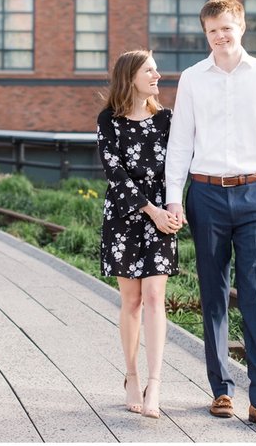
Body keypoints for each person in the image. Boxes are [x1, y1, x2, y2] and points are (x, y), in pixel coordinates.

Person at [165, 0, 256, 426]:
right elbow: (180, 141)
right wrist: (173, 196)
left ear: (242, 27)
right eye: (213, 29)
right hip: (206, 195)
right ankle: (221, 391)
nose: (221, 35)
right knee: (213, 294)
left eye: (227, 27)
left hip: (255, 194)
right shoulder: (192, 79)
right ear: (205, 33)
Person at [97, 50, 182, 420]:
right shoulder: (109, 121)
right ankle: (131, 376)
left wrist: (174, 207)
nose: (157, 75)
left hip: (163, 216)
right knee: (131, 300)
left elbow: (179, 165)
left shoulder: (167, 119)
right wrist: (152, 211)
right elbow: (114, 174)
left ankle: (155, 383)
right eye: (150, 70)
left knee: (154, 295)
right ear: (131, 75)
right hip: (126, 216)